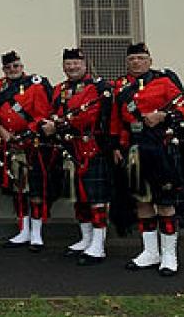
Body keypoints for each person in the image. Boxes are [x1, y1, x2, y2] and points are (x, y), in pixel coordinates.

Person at [111, 42, 184, 276]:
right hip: (134, 148)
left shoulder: (164, 82)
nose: (136, 62)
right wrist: (116, 145)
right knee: (142, 201)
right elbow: (116, 119)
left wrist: (163, 114)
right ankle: (150, 252)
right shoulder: (120, 86)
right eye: (132, 58)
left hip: (160, 147)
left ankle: (169, 255)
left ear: (150, 60)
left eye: (141, 58)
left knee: (165, 203)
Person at [41, 48, 113, 265]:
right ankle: (86, 238)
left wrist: (58, 124)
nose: (72, 67)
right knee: (79, 196)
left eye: (76, 64)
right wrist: (48, 123)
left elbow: (88, 116)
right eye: (68, 64)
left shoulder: (97, 87)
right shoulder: (59, 89)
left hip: (91, 148)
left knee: (96, 198)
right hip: (68, 147)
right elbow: (52, 111)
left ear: (85, 65)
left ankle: (98, 245)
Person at [0, 51, 54, 252]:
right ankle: (23, 230)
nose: (13, 70)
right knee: (18, 190)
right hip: (11, 144)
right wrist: (1, 131)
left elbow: (42, 114)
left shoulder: (35, 86)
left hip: (32, 143)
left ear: (22, 66)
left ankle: (36, 233)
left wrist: (27, 133)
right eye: (9, 67)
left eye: (16, 66)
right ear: (4, 70)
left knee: (35, 189)